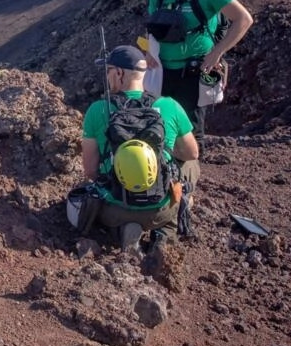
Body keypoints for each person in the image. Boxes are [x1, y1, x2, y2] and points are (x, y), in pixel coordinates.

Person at [76, 45, 200, 253]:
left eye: (108, 71)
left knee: (105, 193)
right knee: (191, 163)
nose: (107, 77)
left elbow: (90, 170)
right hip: (160, 208)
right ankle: (164, 233)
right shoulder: (170, 105)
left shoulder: (97, 110)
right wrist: (165, 155)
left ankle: (121, 230)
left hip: (114, 209)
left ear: (119, 73)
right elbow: (192, 153)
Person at [145, 0, 254, 148]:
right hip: (162, 73)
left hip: (194, 72)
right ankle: (167, 176)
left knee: (191, 133)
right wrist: (150, 51)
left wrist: (217, 53)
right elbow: (152, 25)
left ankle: (189, 178)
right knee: (161, 127)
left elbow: (244, 19)